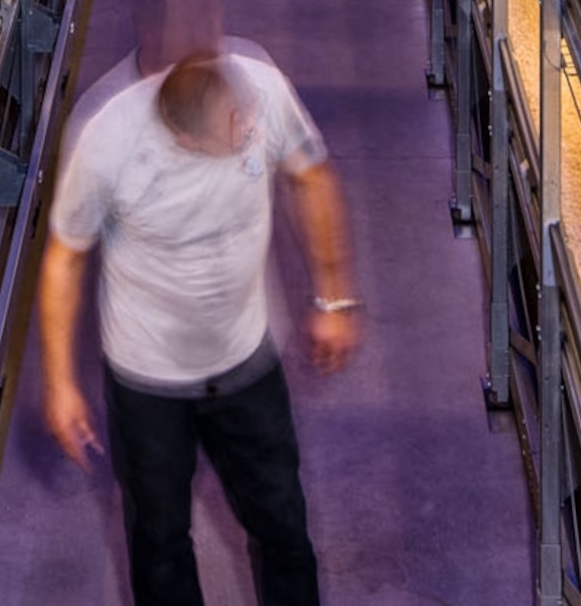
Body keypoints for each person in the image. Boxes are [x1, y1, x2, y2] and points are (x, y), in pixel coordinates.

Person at [38, 37, 359, 606]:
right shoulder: (108, 137)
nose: (249, 124)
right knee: (159, 544)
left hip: (244, 363)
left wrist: (333, 300)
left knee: (283, 524)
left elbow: (311, 176)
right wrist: (61, 383)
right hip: (147, 382)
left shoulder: (257, 86)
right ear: (182, 139)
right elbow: (65, 256)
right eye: (232, 127)